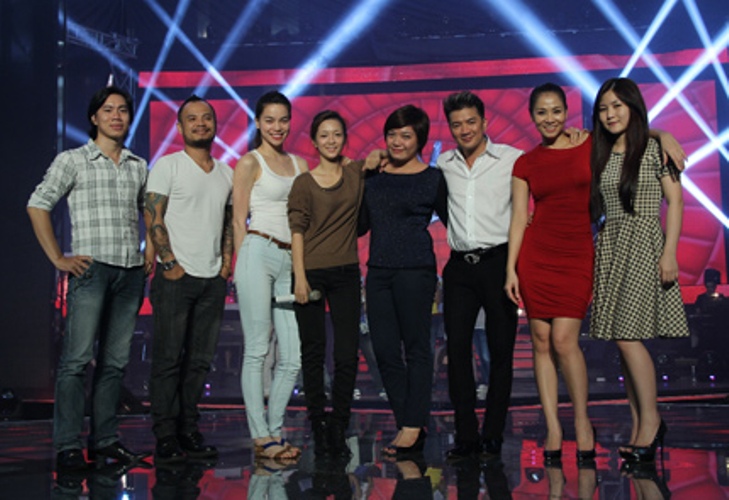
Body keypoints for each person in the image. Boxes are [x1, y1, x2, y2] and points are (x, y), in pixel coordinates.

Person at [27, 86, 150, 471]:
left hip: (130, 272)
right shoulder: (73, 160)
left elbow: (150, 213)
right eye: (108, 110)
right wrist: (57, 258)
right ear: (94, 117)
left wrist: (151, 251)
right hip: (91, 270)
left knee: (114, 364)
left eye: (123, 110)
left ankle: (105, 441)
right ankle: (67, 445)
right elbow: (37, 204)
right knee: (76, 361)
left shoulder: (138, 165)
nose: (116, 116)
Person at [589, 77, 689, 463]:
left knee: (629, 338)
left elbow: (675, 202)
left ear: (633, 106)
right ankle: (638, 426)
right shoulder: (599, 151)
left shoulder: (652, 149)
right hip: (611, 246)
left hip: (645, 244)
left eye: (617, 105)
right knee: (621, 340)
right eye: (603, 108)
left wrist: (670, 253)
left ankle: (652, 422)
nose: (610, 114)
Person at [504, 83, 596, 464]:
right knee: (541, 340)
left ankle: (583, 421)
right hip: (536, 255)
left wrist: (663, 136)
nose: (550, 118)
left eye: (556, 110)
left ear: (566, 111)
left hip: (576, 253)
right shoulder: (525, 163)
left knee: (564, 340)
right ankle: (553, 427)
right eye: (542, 112)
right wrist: (510, 269)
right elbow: (518, 218)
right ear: (532, 116)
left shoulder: (589, 145)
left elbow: (632, 134)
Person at [145, 95, 233, 464]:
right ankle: (165, 434)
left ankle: (188, 429)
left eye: (206, 117)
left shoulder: (227, 172)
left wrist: (225, 265)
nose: (200, 123)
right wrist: (169, 262)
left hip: (212, 279)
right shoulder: (168, 165)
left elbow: (228, 222)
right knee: (168, 359)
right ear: (180, 127)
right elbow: (153, 215)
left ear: (215, 124)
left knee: (199, 362)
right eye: (192, 118)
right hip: (175, 278)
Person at [437, 91, 522, 462]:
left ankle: (493, 435)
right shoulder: (444, 162)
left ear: (485, 122)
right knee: (457, 351)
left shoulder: (512, 159)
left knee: (501, 352)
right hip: (459, 267)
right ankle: (467, 436)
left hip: (498, 262)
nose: (465, 129)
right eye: (457, 124)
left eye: (471, 121)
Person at [360, 105, 448, 457]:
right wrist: (363, 173)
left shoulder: (433, 178)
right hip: (378, 271)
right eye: (392, 135)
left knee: (417, 348)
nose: (397, 141)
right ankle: (408, 421)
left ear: (420, 140)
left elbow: (457, 222)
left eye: (406, 135)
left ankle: (412, 426)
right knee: (383, 351)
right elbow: (361, 225)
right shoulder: (374, 176)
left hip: (416, 270)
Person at [288, 110, 373, 458]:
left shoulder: (355, 173)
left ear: (345, 139)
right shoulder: (303, 183)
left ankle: (339, 421)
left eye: (337, 134)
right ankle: (317, 422)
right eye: (324, 135)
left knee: (346, 353)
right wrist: (300, 276)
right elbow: (296, 231)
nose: (331, 141)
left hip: (346, 272)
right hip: (310, 271)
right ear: (314, 141)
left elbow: (380, 158)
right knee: (313, 351)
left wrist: (368, 160)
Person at [233, 90, 305, 461]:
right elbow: (238, 219)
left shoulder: (299, 164)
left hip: (290, 259)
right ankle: (260, 435)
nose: (277, 127)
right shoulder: (250, 161)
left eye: (283, 119)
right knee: (258, 349)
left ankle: (275, 430)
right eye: (270, 120)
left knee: (292, 356)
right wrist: (240, 266)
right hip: (257, 251)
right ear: (258, 123)